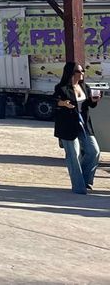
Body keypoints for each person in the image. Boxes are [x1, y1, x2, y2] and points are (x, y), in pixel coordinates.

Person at [53, 62, 100, 194]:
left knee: (94, 151)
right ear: (71, 73)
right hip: (67, 125)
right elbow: (54, 101)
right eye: (79, 71)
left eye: (83, 71)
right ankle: (79, 187)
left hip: (84, 125)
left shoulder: (85, 87)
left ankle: (86, 180)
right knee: (74, 155)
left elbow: (89, 104)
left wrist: (94, 100)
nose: (82, 74)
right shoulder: (61, 88)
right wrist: (63, 103)